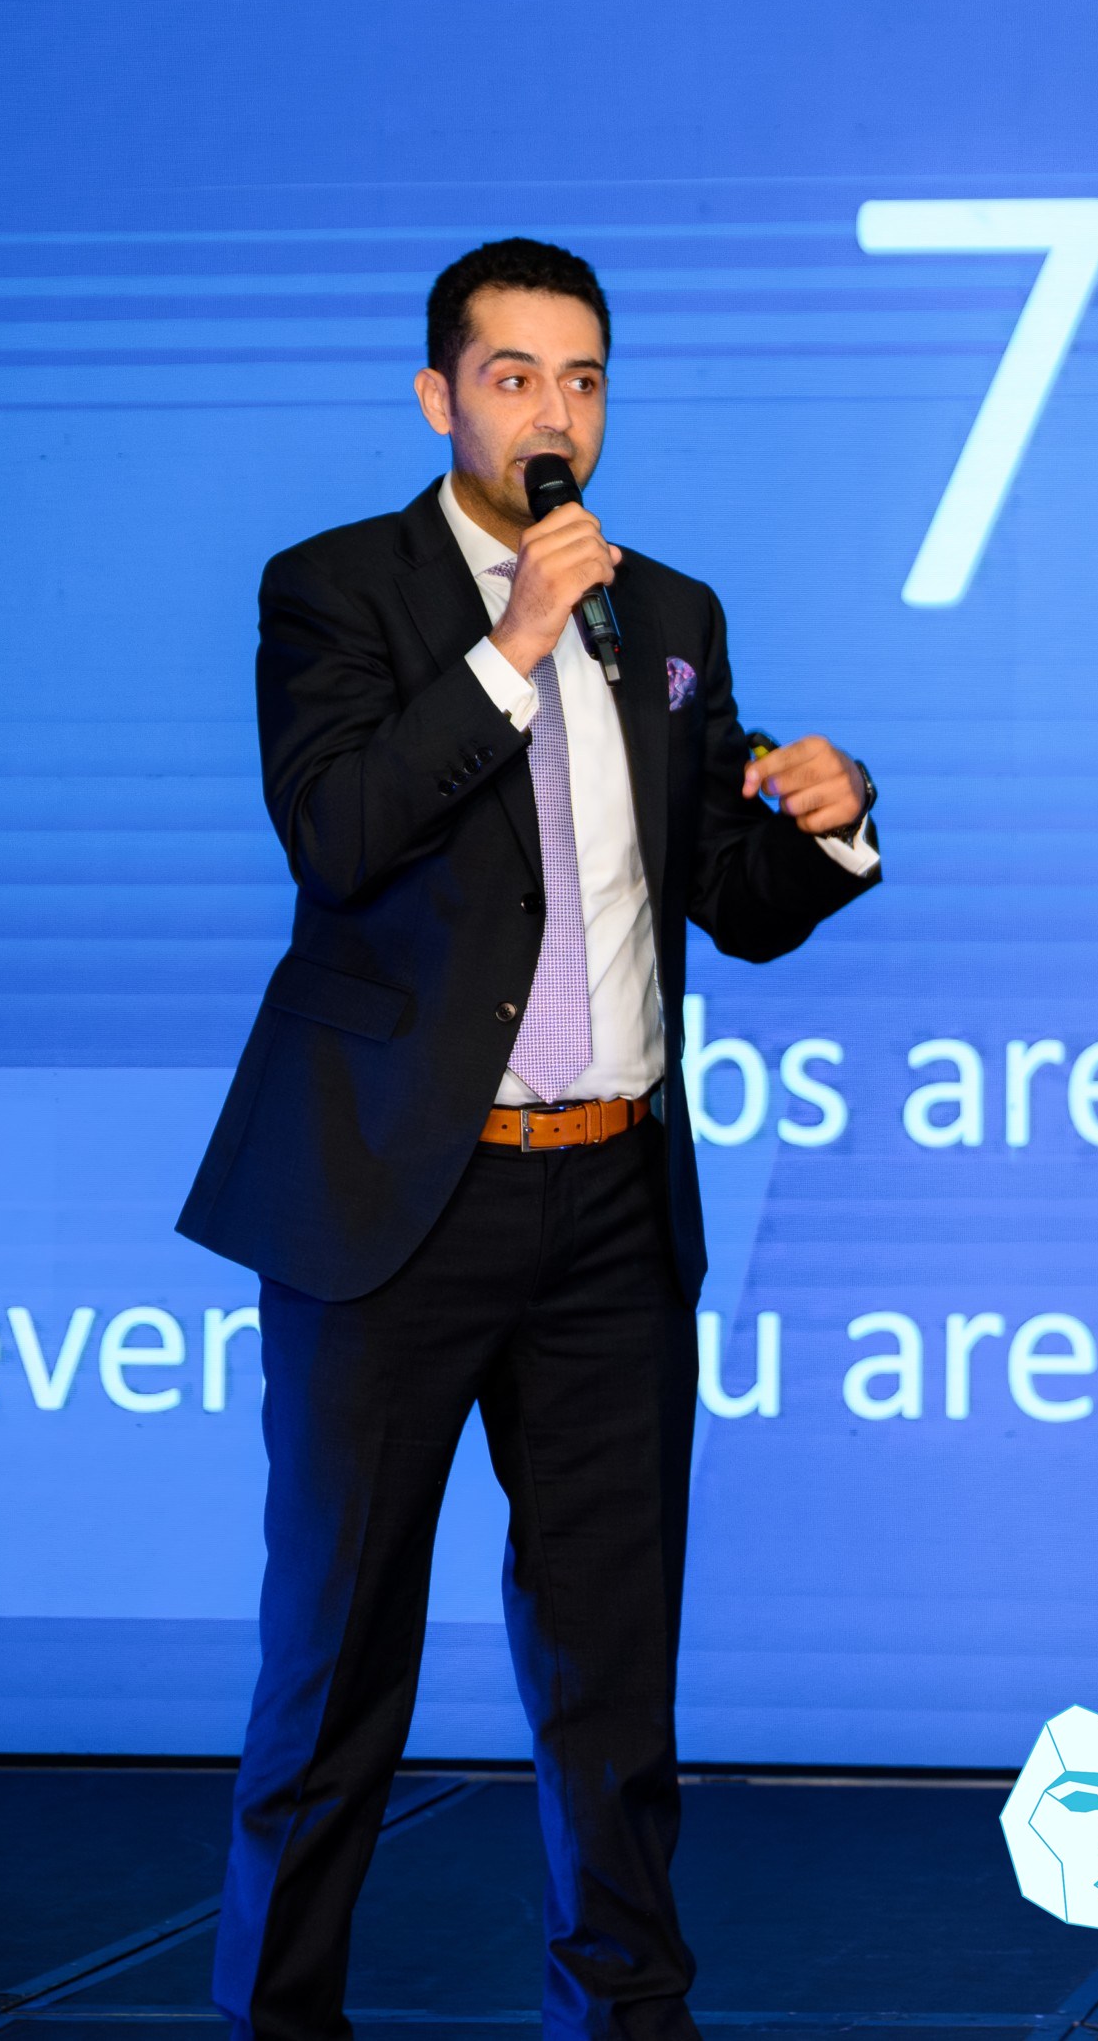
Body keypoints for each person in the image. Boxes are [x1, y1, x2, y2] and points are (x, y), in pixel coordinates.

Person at [177, 237, 878, 2041]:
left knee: (611, 1674)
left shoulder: (671, 615)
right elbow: (338, 835)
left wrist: (825, 822)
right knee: (336, 1663)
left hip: (614, 1201)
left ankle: (628, 2019)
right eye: (513, 378)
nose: (552, 413)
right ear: (441, 396)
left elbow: (725, 894)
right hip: (396, 1201)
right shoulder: (337, 589)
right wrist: (511, 650)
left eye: (582, 380)